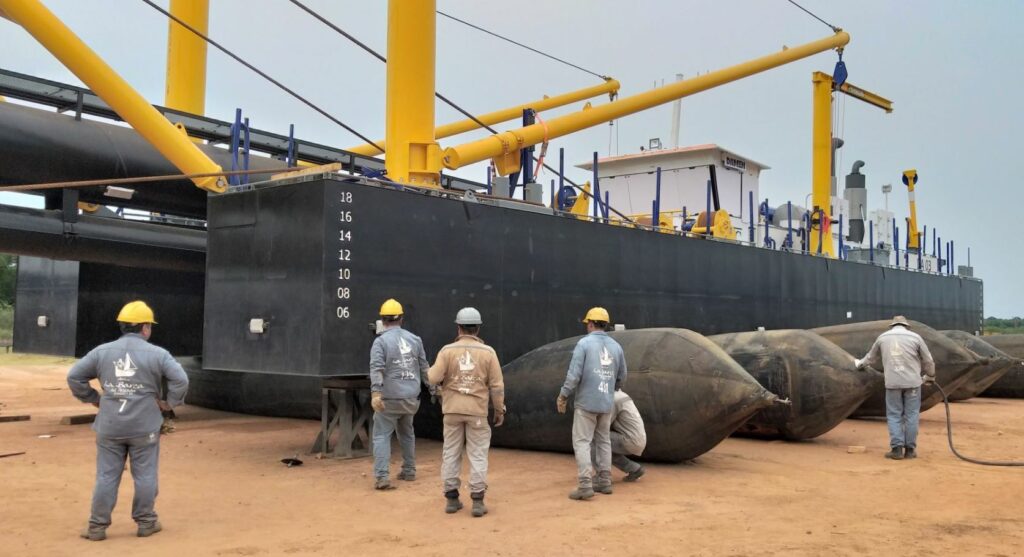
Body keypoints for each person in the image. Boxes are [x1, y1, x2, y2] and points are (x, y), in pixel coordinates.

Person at [67, 300, 189, 541]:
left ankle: (97, 527)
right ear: (145, 327)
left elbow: (74, 377)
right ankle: (146, 522)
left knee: (106, 476)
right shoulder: (158, 354)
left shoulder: (101, 352)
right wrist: (168, 403)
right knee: (145, 475)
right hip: (145, 427)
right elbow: (181, 380)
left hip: (110, 426)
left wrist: (95, 399)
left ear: (122, 326)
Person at [427, 307, 505, 517]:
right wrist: (499, 410)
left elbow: (432, 378)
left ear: (458, 328)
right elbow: (497, 386)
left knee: (451, 452)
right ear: (478, 329)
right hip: (477, 412)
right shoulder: (488, 353)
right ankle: (477, 501)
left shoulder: (447, 351)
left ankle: (452, 499)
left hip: (452, 411)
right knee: (478, 454)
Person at [556, 307, 627, 500]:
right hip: (606, 403)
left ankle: (585, 485)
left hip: (586, 403)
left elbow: (574, 375)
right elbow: (622, 376)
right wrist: (610, 389)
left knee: (582, 442)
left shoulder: (584, 344)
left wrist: (563, 395)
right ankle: (605, 481)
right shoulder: (616, 346)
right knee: (603, 440)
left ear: (590, 324)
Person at [369, 298, 432, 490]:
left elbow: (377, 368)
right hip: (411, 398)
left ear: (382, 320)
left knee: (381, 435)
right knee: (407, 433)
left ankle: (382, 477)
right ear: (401, 319)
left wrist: (376, 393)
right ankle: (409, 470)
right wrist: (434, 389)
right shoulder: (415, 340)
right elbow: (424, 368)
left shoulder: (380, 342)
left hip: (389, 399)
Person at [855, 315, 936, 460]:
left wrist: (859, 364)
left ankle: (896, 449)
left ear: (892, 326)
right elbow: (928, 360)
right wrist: (930, 376)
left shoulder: (883, 337)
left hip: (892, 384)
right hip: (913, 383)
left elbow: (870, 358)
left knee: (894, 415)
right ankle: (910, 450)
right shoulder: (915, 337)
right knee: (912, 415)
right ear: (906, 326)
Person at [600, 389, 646, 482]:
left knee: (595, 439)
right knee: (607, 448)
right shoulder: (623, 395)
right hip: (638, 439)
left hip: (630, 440)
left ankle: (603, 477)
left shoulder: (613, 399)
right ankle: (635, 469)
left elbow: (604, 425)